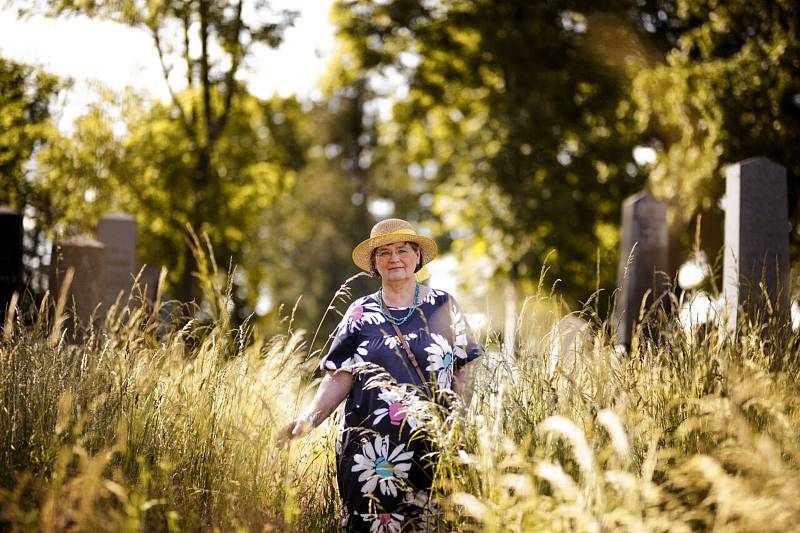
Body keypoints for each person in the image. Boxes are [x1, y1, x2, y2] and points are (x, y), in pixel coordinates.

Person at [278, 218, 483, 531]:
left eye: (403, 250)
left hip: (432, 450)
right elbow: (339, 377)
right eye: (384, 253)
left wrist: (459, 419)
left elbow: (466, 365)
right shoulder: (360, 312)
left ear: (417, 257)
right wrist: (307, 420)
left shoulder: (443, 305)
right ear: (375, 265)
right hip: (368, 458)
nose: (394, 258)